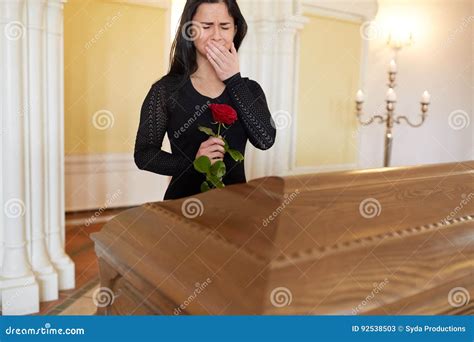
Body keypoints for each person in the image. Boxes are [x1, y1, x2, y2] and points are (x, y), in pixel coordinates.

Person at [134, 0, 276, 200]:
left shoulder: (249, 89)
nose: (217, 35)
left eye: (225, 26)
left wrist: (234, 80)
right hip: (181, 207)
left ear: (235, 30)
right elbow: (144, 155)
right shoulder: (165, 90)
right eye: (207, 26)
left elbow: (265, 140)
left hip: (235, 209)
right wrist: (192, 163)